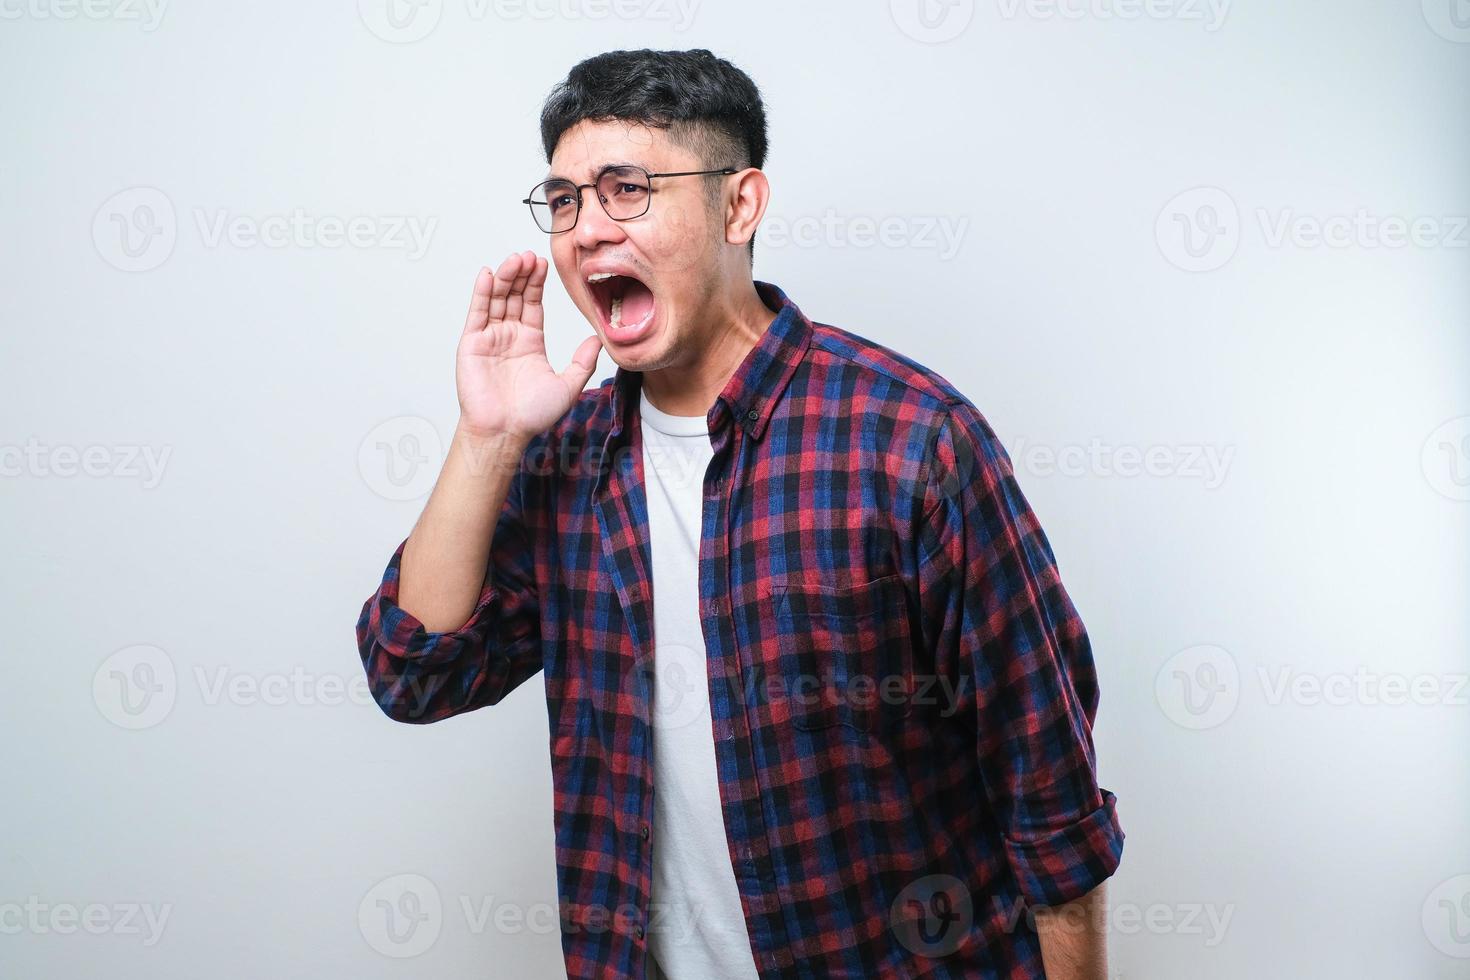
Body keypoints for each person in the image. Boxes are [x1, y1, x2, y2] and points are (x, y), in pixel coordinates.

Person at [356, 47, 1123, 980]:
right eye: (564, 201)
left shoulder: (910, 438)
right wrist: (488, 438)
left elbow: (1047, 785)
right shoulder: (563, 458)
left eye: (626, 189)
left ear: (740, 205)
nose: (587, 230)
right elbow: (414, 674)